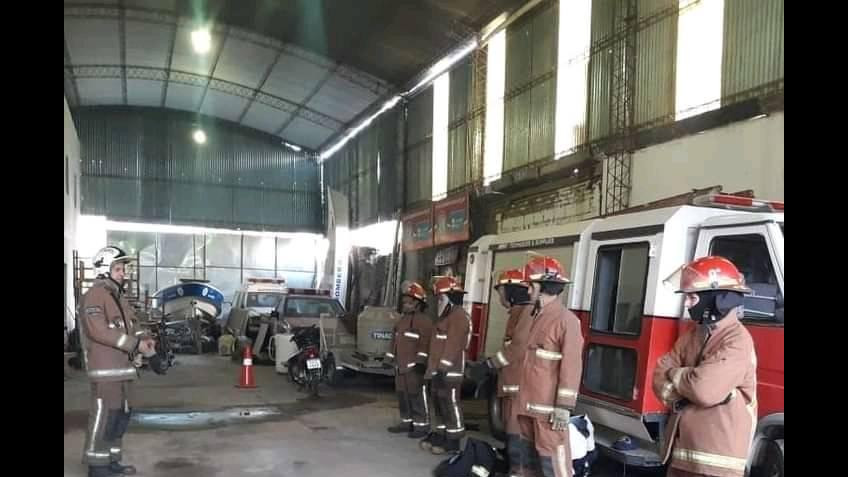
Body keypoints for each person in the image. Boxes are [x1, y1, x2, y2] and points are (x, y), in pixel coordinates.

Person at [652, 256, 758, 477]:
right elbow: (659, 374)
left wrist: (676, 374)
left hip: (716, 460)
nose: (686, 304)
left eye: (692, 297)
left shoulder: (737, 340)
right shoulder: (694, 334)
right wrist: (686, 387)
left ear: (717, 299)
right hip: (682, 453)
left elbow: (704, 390)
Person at [78, 246, 160, 477]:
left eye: (124, 269)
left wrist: (146, 341)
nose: (124, 273)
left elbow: (133, 325)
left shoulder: (118, 296)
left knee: (120, 417)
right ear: (104, 270)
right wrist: (135, 345)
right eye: (118, 269)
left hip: (123, 369)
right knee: (105, 416)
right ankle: (97, 466)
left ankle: (111, 460)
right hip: (105, 370)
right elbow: (99, 331)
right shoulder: (95, 295)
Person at [511, 256, 584, 477]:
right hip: (527, 406)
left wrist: (564, 406)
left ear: (542, 286)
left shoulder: (566, 320)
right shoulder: (537, 316)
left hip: (548, 411)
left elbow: (572, 365)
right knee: (529, 462)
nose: (527, 290)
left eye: (531, 285)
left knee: (553, 461)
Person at [420, 276, 471, 455]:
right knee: (439, 404)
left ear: (450, 297)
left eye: (440, 298)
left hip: (449, 372)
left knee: (450, 404)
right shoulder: (446, 316)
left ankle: (454, 440)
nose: (438, 302)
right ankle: (441, 434)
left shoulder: (458, 317)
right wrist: (432, 370)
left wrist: (442, 368)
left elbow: (453, 346)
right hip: (439, 371)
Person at [385, 281, 434, 438]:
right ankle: (406, 422)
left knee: (417, 396)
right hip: (401, 368)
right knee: (402, 395)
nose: (405, 304)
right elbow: (394, 340)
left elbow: (426, 343)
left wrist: (421, 363)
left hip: (414, 368)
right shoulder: (402, 320)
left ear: (418, 303)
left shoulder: (425, 322)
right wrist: (389, 358)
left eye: (409, 301)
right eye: (404, 301)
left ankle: (421, 426)